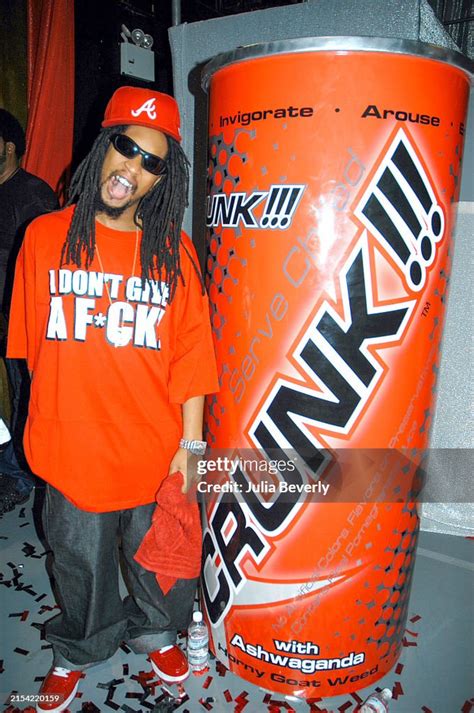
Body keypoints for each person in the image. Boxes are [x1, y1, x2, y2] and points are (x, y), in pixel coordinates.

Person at [7, 86, 219, 713]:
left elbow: (192, 357)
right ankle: (78, 648)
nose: (132, 168)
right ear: (104, 147)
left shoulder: (173, 253)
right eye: (126, 147)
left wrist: (191, 445)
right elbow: (29, 354)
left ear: (163, 178)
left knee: (161, 564)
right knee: (81, 565)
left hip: (155, 450)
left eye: (152, 161)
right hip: (72, 449)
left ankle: (156, 636)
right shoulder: (44, 238)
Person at [0, 108, 58, 512]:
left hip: (19, 324)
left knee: (24, 401)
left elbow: (47, 270)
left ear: (8, 148)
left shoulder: (34, 195)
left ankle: (20, 477)